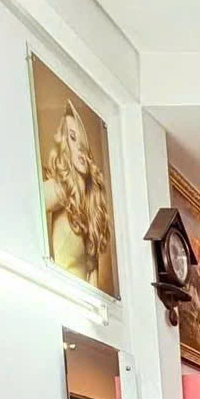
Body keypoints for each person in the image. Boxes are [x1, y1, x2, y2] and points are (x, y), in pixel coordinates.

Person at [42, 100, 115, 289]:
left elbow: (93, 281)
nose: (80, 149)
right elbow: (28, 205)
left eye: (81, 140)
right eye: (72, 138)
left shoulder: (90, 209)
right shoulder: (61, 189)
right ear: (65, 145)